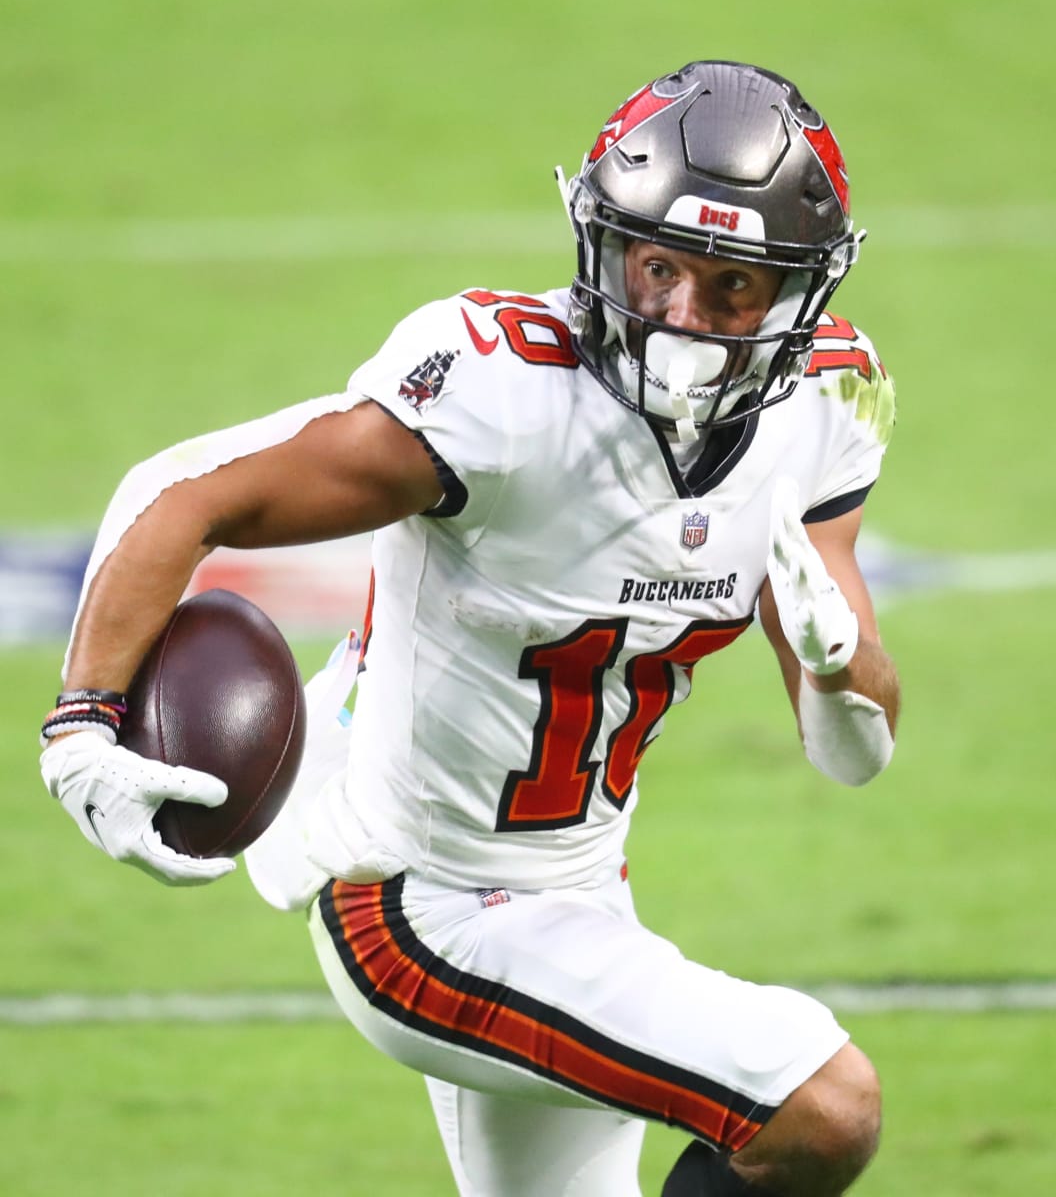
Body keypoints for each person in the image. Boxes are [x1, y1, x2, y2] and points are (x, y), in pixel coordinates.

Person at [40, 60, 900, 1196]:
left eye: (733, 287)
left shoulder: (824, 407)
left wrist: (838, 674)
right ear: (605, 246)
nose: (684, 318)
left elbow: (852, 757)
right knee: (822, 1109)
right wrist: (83, 723)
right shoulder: (501, 390)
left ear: (798, 296)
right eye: (657, 267)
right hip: (417, 901)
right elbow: (187, 491)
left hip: (579, 891)